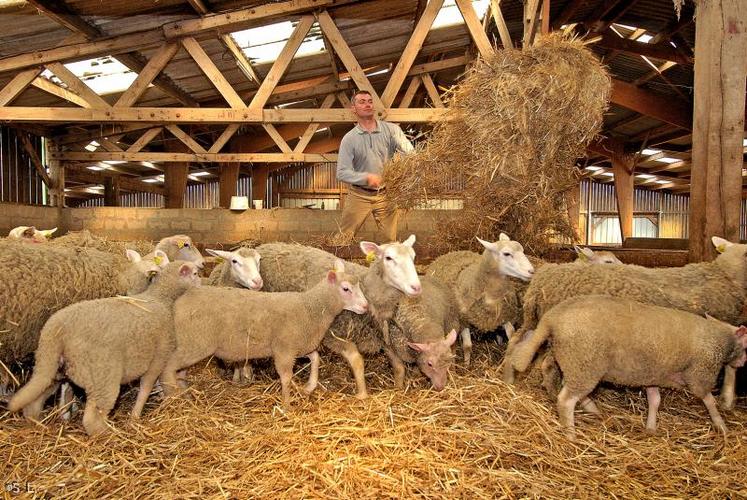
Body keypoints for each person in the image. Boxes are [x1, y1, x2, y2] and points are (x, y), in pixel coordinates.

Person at [335, 89, 414, 243]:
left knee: (390, 241)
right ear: (354, 109)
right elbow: (341, 172)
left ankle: (384, 266)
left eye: (370, 101)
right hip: (358, 195)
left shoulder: (392, 130)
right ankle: (338, 266)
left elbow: (411, 154)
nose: (367, 105)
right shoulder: (349, 139)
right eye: (362, 102)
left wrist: (404, 170)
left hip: (385, 194)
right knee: (343, 240)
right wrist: (366, 177)